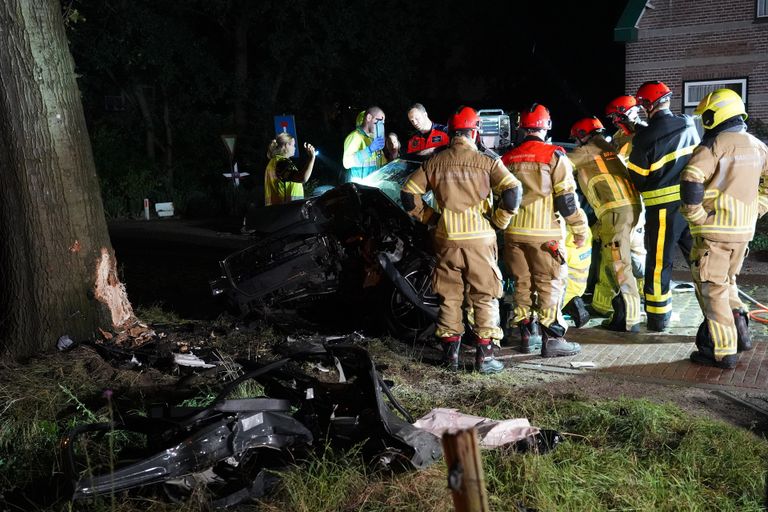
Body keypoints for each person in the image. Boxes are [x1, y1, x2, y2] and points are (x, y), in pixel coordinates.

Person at [400, 106, 522, 374]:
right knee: (484, 294)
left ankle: (450, 356)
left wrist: (431, 219)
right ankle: (485, 356)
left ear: (452, 133)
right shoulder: (487, 161)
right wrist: (499, 222)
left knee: (449, 296)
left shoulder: (434, 162)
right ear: (474, 131)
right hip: (479, 239)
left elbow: (408, 194)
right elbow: (513, 191)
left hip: (446, 239)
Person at [680, 88, 768, 368]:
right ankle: (741, 335)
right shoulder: (757, 145)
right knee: (728, 283)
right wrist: (758, 208)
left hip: (715, 232)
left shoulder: (714, 145)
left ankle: (722, 351)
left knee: (712, 290)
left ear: (715, 115)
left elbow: (692, 178)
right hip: (743, 232)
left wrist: (695, 217)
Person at [500, 103, 587, 357]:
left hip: (513, 234)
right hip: (545, 234)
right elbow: (566, 201)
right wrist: (579, 228)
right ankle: (553, 338)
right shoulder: (554, 156)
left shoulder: (508, 158)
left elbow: (499, 196)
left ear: (522, 129)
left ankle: (528, 335)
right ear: (546, 126)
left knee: (522, 284)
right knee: (550, 284)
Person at [627, 81, 700, 331]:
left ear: (647, 105)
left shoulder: (644, 138)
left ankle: (658, 319)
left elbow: (637, 178)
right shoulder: (689, 123)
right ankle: (716, 309)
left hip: (662, 211)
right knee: (700, 259)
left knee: (659, 264)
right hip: (692, 207)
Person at [569, 117, 643, 331]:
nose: (576, 142)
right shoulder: (608, 148)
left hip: (615, 211)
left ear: (582, 135)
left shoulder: (588, 150)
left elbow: (559, 164)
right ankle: (610, 308)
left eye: (576, 138)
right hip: (625, 210)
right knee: (610, 254)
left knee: (619, 262)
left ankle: (630, 320)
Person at [264, 132, 316, 206]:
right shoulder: (281, 163)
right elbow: (303, 178)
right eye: (293, 145)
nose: (295, 148)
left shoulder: (274, 162)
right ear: (286, 145)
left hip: (278, 211)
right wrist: (312, 157)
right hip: (286, 211)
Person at [342, 106, 386, 182]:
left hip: (373, 187)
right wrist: (369, 150)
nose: (381, 126)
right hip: (359, 189)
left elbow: (382, 163)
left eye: (382, 123)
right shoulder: (354, 136)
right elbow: (346, 163)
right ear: (369, 117)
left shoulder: (373, 139)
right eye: (379, 121)